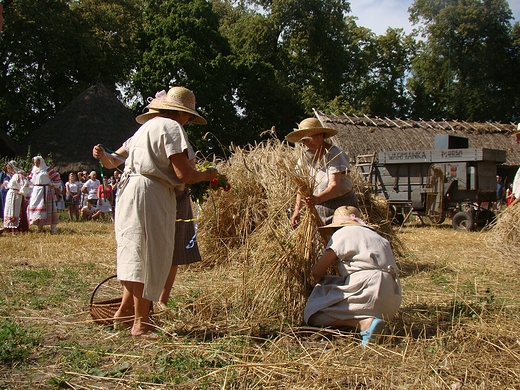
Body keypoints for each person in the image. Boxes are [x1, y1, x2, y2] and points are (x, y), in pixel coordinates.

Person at [92, 86, 217, 338]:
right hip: (152, 193)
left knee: (134, 250)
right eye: (189, 116)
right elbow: (184, 174)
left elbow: (114, 161)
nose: (188, 120)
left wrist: (103, 156)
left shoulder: (143, 129)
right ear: (180, 113)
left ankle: (126, 313)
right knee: (151, 253)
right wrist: (208, 175)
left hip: (129, 191)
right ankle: (142, 323)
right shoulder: (172, 128)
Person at [304, 206, 402, 345]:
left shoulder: (343, 233)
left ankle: (364, 323)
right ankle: (374, 321)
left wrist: (313, 285)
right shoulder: (379, 236)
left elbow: (317, 272)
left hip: (369, 289)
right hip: (393, 297)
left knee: (314, 314)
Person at [286, 118, 358, 228]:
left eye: (308, 138)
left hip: (342, 206)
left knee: (341, 240)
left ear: (320, 135)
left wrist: (317, 199)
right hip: (318, 206)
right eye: (303, 139)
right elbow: (301, 187)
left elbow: (333, 185)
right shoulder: (305, 157)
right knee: (320, 242)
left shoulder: (334, 154)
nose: (305, 142)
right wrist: (297, 210)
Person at [27, 156, 61, 233]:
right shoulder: (34, 170)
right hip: (36, 191)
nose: (36, 164)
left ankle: (53, 228)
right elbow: (30, 180)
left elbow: (57, 178)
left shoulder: (47, 170)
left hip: (45, 191)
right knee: (37, 210)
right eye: (35, 163)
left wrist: (51, 184)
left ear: (41, 162)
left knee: (49, 209)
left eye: (38, 162)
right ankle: (40, 227)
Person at [3, 161, 30, 233]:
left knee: (15, 211)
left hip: (16, 195)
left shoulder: (19, 175)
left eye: (9, 168)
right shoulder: (14, 176)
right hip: (11, 194)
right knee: (9, 210)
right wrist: (6, 184)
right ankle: (9, 227)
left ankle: (16, 228)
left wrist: (20, 192)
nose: (8, 170)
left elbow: (26, 184)